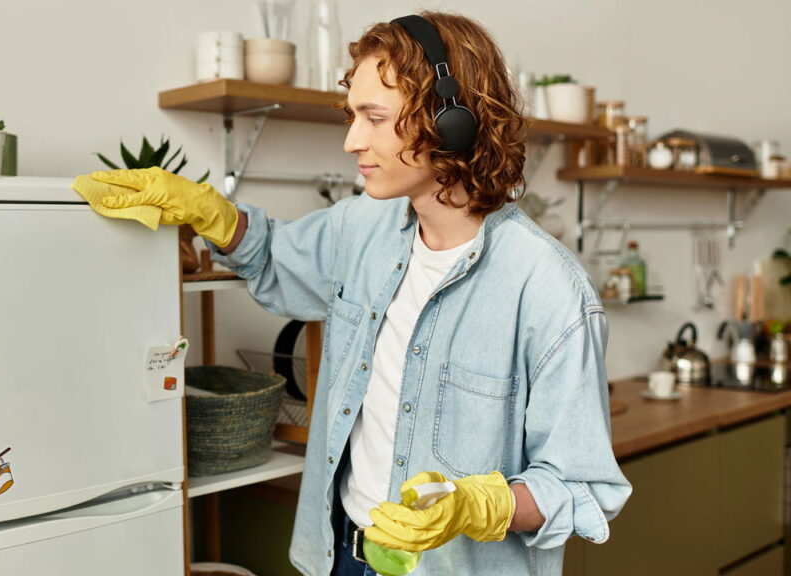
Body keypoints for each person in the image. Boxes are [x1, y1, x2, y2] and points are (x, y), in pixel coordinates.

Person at [72, 10, 630, 576]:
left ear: (453, 123)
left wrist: (481, 506)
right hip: (339, 551)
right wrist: (212, 215)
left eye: (374, 117)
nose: (351, 140)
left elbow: (582, 487)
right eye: (352, 115)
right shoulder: (362, 225)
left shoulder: (548, 288)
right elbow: (275, 258)